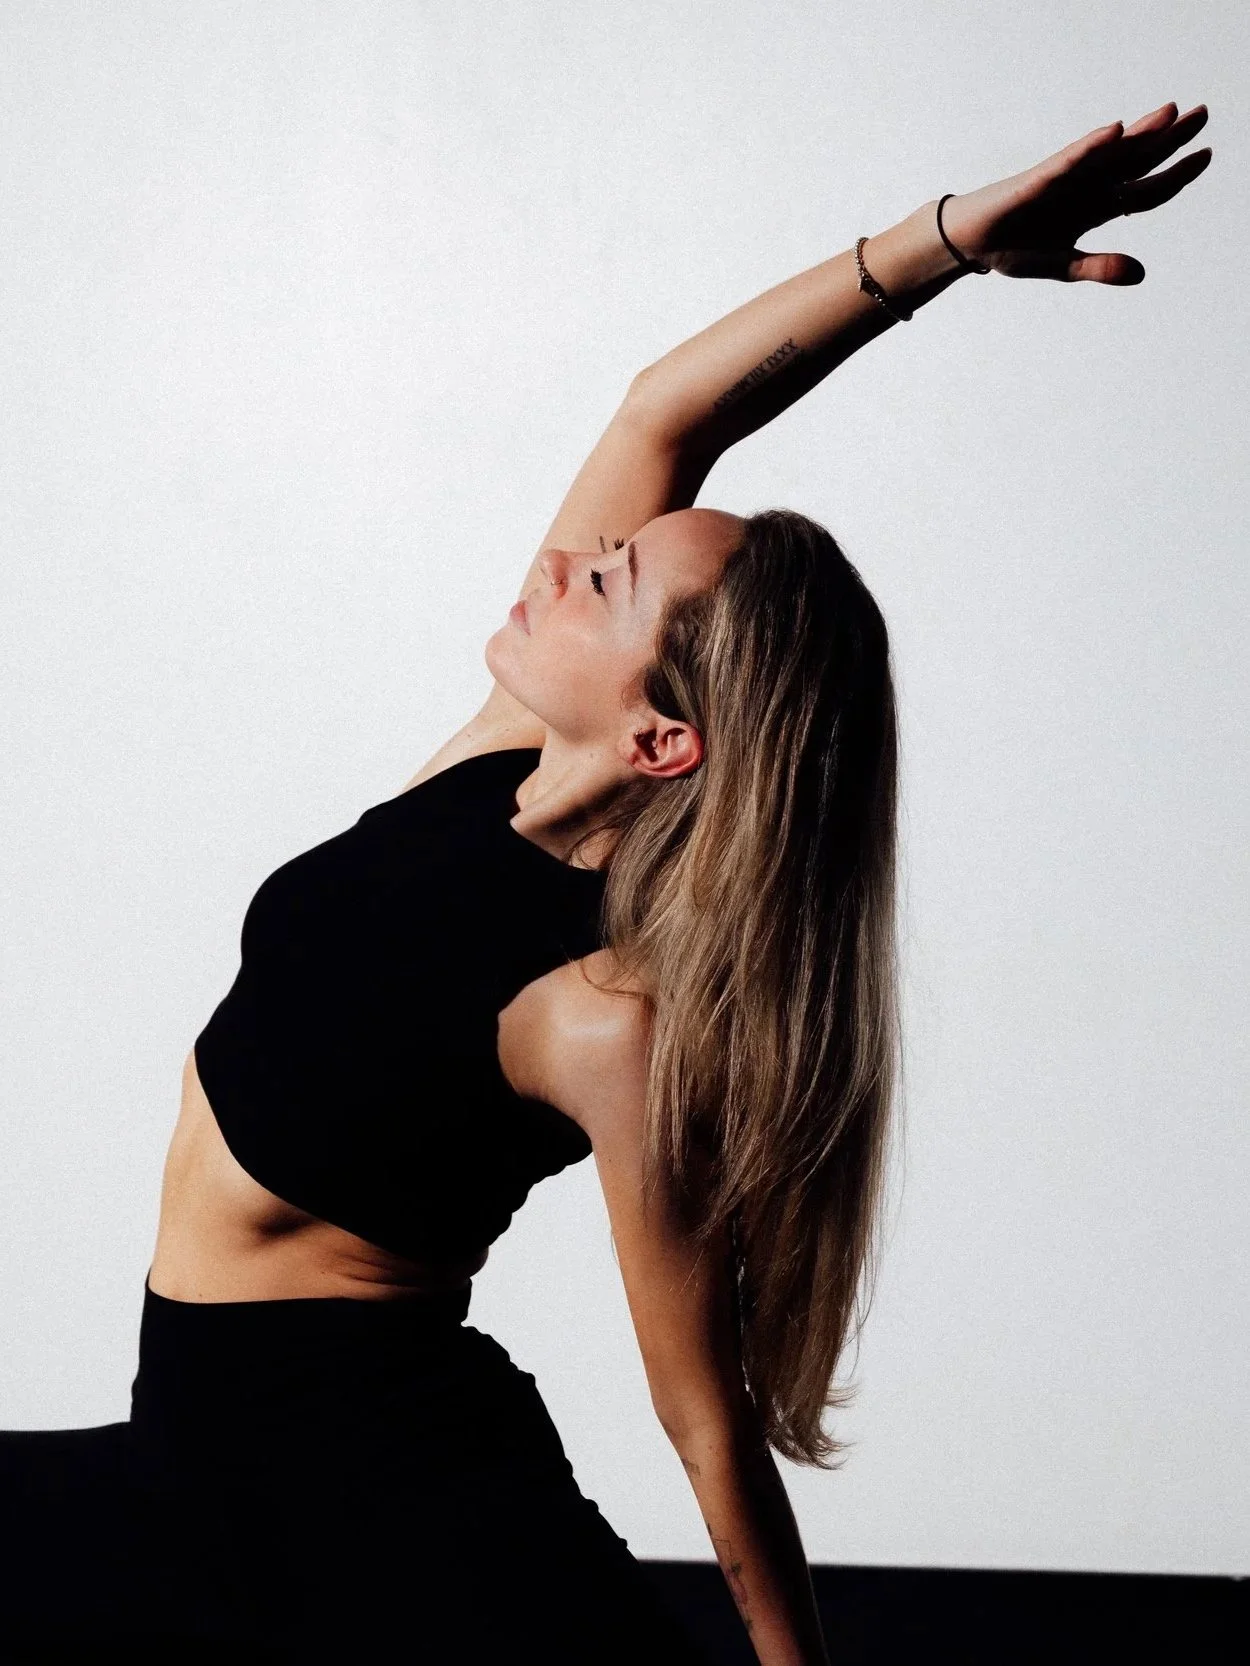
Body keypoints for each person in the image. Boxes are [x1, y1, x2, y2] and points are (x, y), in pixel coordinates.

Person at [0, 102, 1211, 1664]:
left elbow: (703, 1418)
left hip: (372, 1486)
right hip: (190, 1442)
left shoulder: (604, 1015)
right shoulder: (502, 758)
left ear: (660, 735)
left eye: (612, 575)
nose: (571, 554)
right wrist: (942, 246)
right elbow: (667, 405)